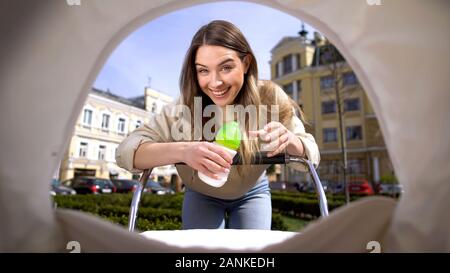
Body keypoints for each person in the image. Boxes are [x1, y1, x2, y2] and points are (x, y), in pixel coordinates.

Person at [116, 20, 319, 230]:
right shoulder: (182, 108)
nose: (215, 83)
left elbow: (311, 153)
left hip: (252, 192)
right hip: (201, 194)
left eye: (226, 67)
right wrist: (184, 151)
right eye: (203, 71)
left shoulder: (270, 98)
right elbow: (125, 152)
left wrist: (292, 142)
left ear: (246, 63)